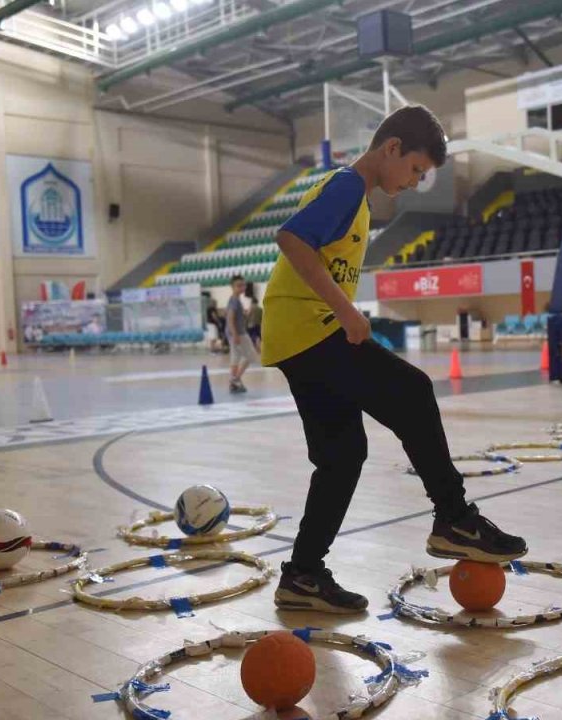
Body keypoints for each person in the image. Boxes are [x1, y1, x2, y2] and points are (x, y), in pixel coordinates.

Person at [262, 105, 526, 613]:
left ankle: (302, 575)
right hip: (307, 328)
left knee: (341, 457)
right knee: (413, 391)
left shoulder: (354, 196)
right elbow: (291, 238)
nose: (414, 182)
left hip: (294, 335)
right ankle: (454, 517)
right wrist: (346, 312)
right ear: (391, 149)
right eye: (415, 170)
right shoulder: (346, 187)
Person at [227, 275, 259, 393]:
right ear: (232, 287)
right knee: (251, 356)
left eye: (243, 285)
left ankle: (234, 381)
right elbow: (230, 318)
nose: (242, 287)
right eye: (238, 285)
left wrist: (244, 314)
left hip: (235, 332)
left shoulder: (235, 300)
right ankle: (235, 379)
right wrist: (235, 334)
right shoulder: (234, 301)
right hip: (239, 333)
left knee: (235, 357)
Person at [244, 282, 263, 353]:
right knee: (258, 337)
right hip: (258, 325)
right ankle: (258, 349)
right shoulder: (260, 309)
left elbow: (247, 317)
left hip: (251, 325)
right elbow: (262, 318)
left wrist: (245, 324)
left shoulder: (250, 308)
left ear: (252, 302)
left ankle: (256, 349)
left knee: (253, 337)